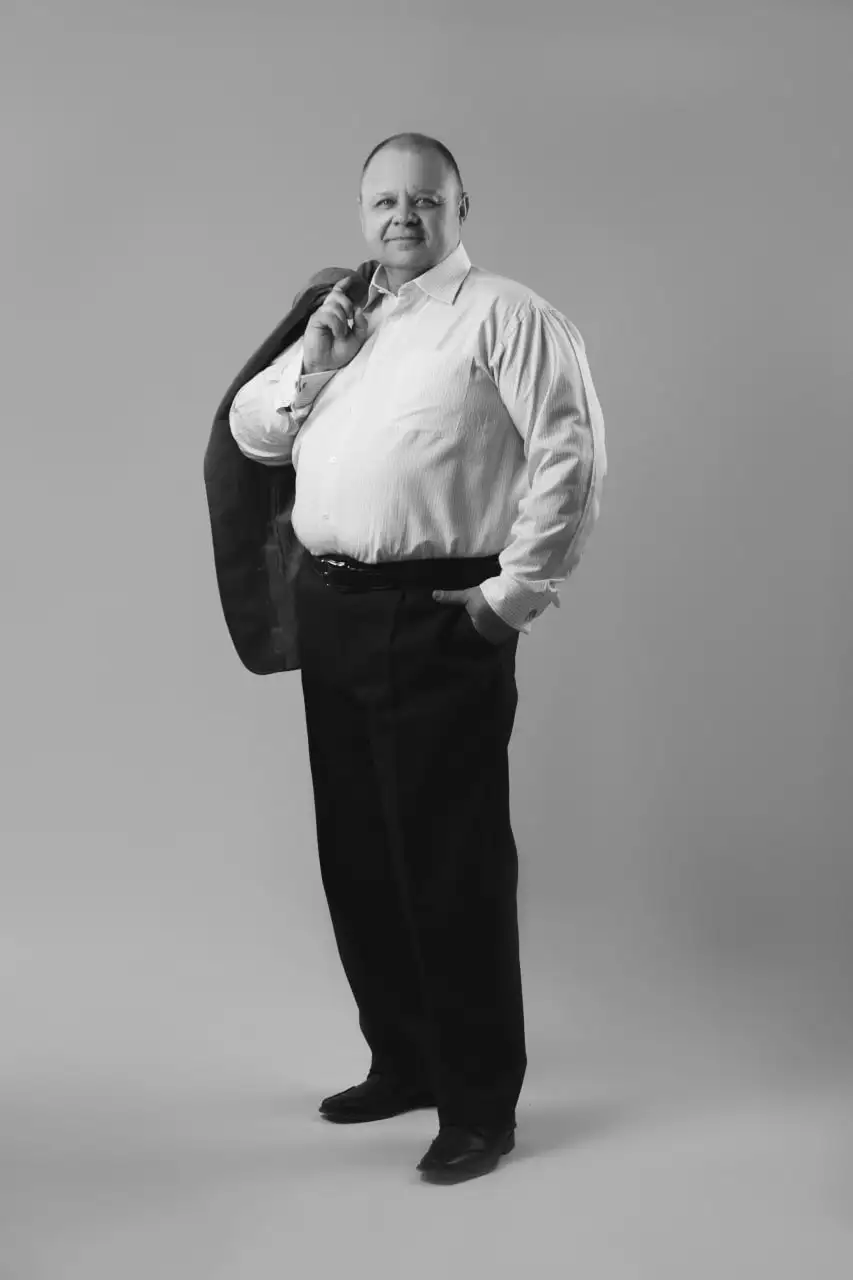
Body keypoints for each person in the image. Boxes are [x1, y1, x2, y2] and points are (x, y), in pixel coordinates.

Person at [224, 131, 607, 1185]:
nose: (402, 215)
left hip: (436, 615)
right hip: (334, 612)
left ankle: (478, 1105)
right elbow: (254, 433)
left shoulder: (508, 316)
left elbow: (570, 456)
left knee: (450, 862)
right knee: (357, 854)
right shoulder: (346, 316)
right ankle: (405, 1061)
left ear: (458, 208)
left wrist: (509, 600)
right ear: (363, 212)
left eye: (424, 200)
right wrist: (317, 362)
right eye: (384, 200)